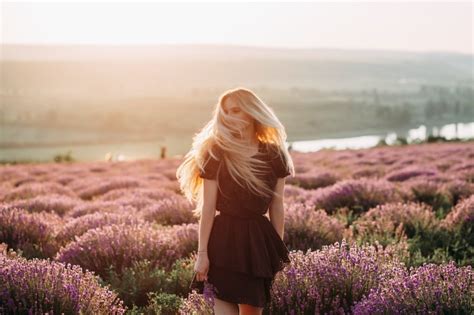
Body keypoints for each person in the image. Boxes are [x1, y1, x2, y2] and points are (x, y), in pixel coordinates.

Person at [176, 87, 295, 315]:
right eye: (227, 112)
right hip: (223, 241)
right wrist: (202, 254)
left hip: (257, 243)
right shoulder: (216, 152)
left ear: (252, 112)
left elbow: (277, 206)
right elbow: (208, 208)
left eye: (236, 111)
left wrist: (275, 251)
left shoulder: (274, 154)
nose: (230, 117)